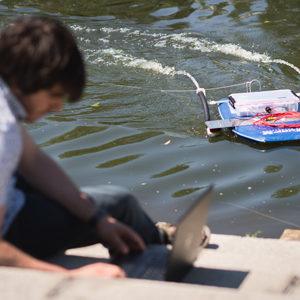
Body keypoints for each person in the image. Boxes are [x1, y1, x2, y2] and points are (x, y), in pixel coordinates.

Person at [0, 15, 167, 278]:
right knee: (120, 203)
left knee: (98, 209)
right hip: (10, 230)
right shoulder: (4, 132)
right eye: (54, 95)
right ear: (24, 81)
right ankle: (157, 269)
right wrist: (70, 276)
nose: (58, 107)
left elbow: (34, 161)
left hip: (12, 197)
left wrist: (97, 218)